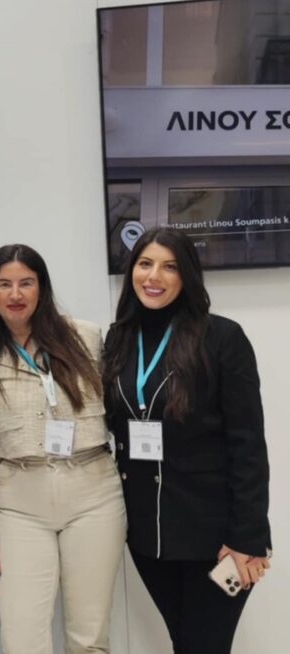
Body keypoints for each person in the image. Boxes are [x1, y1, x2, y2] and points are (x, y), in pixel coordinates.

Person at [101, 227, 271, 654]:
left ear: (187, 275)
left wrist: (247, 537)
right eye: (145, 263)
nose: (153, 276)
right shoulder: (118, 339)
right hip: (148, 536)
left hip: (213, 535)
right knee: (185, 644)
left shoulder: (222, 338)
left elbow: (248, 444)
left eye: (170, 266)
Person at [0, 245, 126, 654]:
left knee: (89, 637)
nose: (16, 294)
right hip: (22, 502)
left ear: (41, 288)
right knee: (21, 638)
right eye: (4, 284)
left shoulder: (86, 337)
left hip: (93, 495)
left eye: (26, 283)